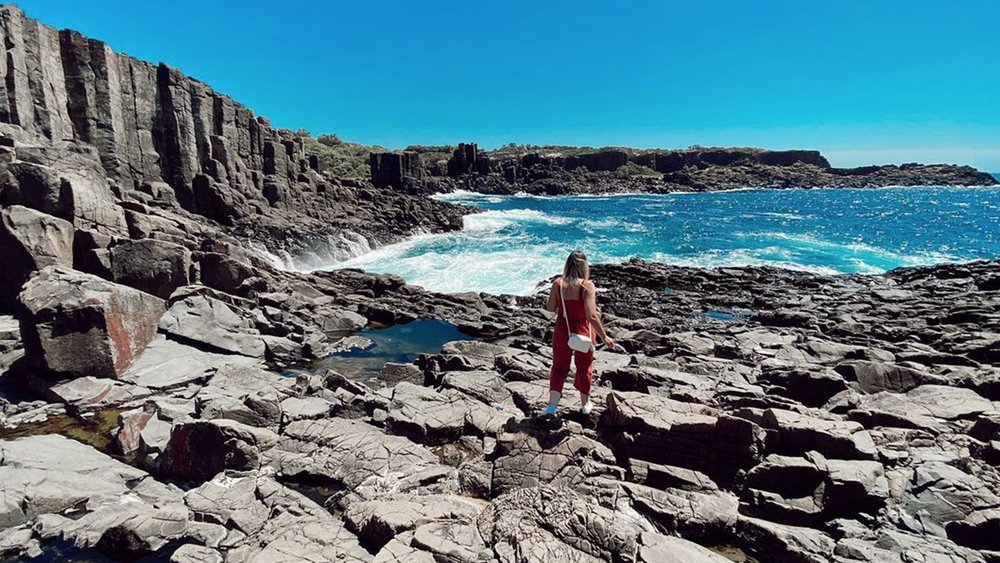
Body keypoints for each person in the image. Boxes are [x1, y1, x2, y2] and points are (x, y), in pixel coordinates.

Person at [541, 251, 615, 416]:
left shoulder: (558, 283)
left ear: (567, 265)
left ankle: (552, 406)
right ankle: (585, 404)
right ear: (584, 266)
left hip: (563, 330)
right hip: (583, 331)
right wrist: (605, 337)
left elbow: (550, 308)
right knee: (584, 368)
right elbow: (592, 315)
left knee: (559, 368)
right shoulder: (587, 286)